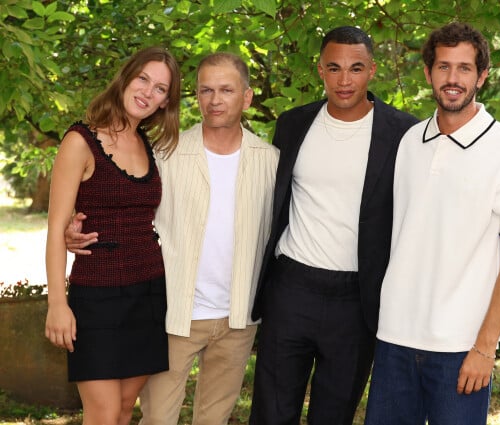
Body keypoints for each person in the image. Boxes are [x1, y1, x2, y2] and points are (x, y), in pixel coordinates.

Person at [65, 52, 279, 425]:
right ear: (195, 96)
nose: (215, 100)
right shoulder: (165, 152)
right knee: (156, 419)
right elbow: (122, 200)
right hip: (172, 313)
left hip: (238, 319)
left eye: (226, 90)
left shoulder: (271, 161)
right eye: (206, 90)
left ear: (246, 97)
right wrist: (74, 225)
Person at [364, 22, 500, 425]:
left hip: (461, 346)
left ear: (482, 76)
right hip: (395, 336)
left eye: (464, 68)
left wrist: (485, 347)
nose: (453, 78)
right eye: (443, 67)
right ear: (428, 73)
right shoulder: (409, 142)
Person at [249, 26, 418, 425]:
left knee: (334, 414)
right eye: (335, 68)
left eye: (356, 68)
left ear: (372, 70)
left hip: (356, 299)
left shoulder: (404, 133)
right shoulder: (292, 124)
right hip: (290, 288)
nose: (345, 80)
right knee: (271, 412)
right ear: (320, 70)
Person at [45, 46, 181, 425]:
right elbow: (57, 229)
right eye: (143, 79)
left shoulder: (150, 147)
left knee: (123, 410)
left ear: (165, 102)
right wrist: (58, 303)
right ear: (125, 77)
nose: (147, 92)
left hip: (149, 293)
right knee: (103, 413)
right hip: (97, 296)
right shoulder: (80, 141)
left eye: (160, 89)